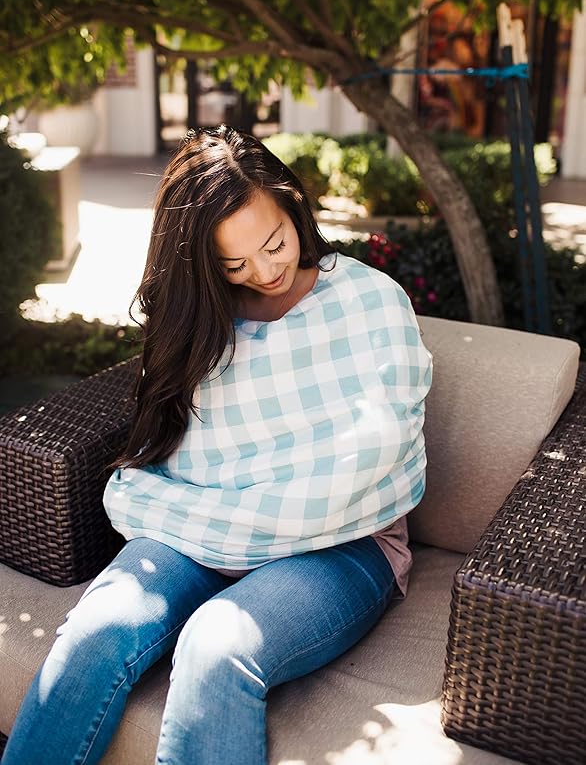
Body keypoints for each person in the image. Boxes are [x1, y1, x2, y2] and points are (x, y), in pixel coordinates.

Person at [2, 125, 432, 765]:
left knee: (217, 644)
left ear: (293, 207)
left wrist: (243, 520)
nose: (265, 271)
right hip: (200, 525)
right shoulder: (201, 314)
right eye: (235, 264)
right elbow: (181, 443)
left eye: (274, 243)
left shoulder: (369, 300)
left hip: (341, 539)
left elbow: (379, 445)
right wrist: (223, 520)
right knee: (95, 634)